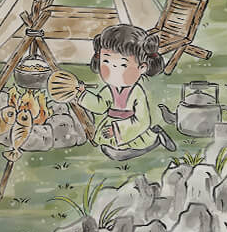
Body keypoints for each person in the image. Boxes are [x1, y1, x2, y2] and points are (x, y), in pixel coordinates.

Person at [75, 24, 176, 160]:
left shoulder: (137, 93)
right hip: (111, 128)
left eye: (122, 65)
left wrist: (117, 130)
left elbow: (142, 121)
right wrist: (83, 94)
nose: (112, 71)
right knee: (109, 148)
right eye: (106, 62)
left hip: (131, 130)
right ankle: (117, 149)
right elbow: (100, 105)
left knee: (124, 151)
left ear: (142, 68)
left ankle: (157, 137)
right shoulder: (109, 90)